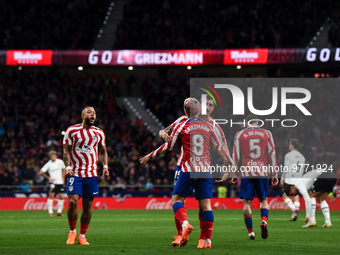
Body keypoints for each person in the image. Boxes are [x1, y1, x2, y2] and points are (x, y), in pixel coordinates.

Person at [140, 98, 234, 249]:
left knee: (176, 200)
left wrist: (150, 155)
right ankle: (206, 240)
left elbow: (168, 147)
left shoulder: (183, 124)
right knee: (206, 206)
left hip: (188, 169)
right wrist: (230, 163)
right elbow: (220, 148)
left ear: (185, 111)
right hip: (205, 170)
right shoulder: (209, 126)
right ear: (200, 109)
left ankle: (186, 226)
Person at [219, 115, 278, 240]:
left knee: (247, 203)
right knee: (263, 200)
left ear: (246, 122)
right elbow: (272, 154)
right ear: (258, 122)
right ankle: (263, 221)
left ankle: (251, 233)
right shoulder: (267, 133)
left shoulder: (240, 134)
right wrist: (274, 174)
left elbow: (236, 156)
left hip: (247, 172)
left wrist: (234, 174)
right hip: (262, 172)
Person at [63, 106, 109, 245]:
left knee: (88, 206)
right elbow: (66, 151)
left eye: (94, 112)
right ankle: (72, 232)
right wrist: (68, 167)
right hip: (75, 172)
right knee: (72, 202)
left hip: (91, 173)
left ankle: (82, 235)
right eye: (89, 112)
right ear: (83, 116)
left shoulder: (99, 133)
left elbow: (103, 151)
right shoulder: (71, 130)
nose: (93, 114)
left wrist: (105, 166)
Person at [280, 139, 305, 221]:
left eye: (290, 144)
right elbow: (303, 169)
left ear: (292, 145)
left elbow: (286, 167)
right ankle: (294, 215)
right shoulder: (302, 157)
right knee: (296, 195)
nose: (289, 145)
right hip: (298, 178)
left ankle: (294, 209)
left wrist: (283, 177)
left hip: (290, 177)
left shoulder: (288, 155)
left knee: (285, 195)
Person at [39, 150, 66, 217]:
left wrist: (63, 177)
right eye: (51, 156)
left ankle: (59, 212)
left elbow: (64, 169)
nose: (53, 157)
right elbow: (41, 172)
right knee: (51, 196)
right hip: (53, 183)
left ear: (56, 156)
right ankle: (50, 212)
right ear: (50, 157)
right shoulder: (49, 164)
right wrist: (48, 178)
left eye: (54, 156)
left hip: (60, 182)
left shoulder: (60, 162)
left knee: (61, 197)